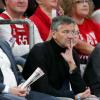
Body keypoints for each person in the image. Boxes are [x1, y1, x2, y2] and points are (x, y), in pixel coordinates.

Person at [22, 16, 98, 100]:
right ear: (54, 34)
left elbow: (80, 90)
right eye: (65, 32)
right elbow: (42, 88)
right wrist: (74, 96)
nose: (70, 36)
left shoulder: (72, 53)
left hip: (57, 95)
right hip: (32, 94)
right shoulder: (39, 51)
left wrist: (71, 64)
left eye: (72, 32)